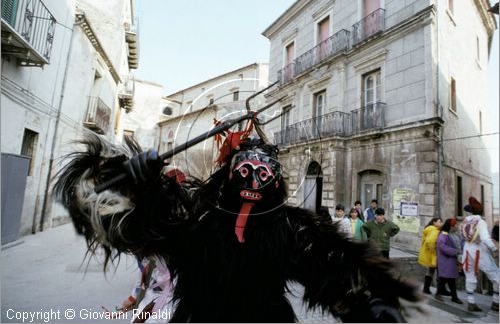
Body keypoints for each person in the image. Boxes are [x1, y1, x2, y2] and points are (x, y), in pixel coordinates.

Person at [54, 131, 420, 322]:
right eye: (246, 171)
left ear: (275, 181)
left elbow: (333, 266)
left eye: (262, 174)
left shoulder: (291, 228)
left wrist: (370, 303)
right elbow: (132, 222)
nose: (253, 180)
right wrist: (135, 183)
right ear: (230, 175)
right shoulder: (197, 215)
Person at [461, 197, 499, 312]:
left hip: (467, 250)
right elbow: (485, 239)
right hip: (479, 251)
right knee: (496, 276)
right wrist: (494, 249)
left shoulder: (465, 221)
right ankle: (496, 302)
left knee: (470, 276)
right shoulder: (480, 222)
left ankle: (471, 303)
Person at [435, 219, 463, 304]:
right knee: (445, 278)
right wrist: (455, 251)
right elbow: (442, 246)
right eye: (455, 225)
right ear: (451, 227)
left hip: (450, 260)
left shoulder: (451, 234)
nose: (456, 227)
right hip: (446, 260)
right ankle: (449, 296)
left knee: (449, 278)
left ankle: (452, 296)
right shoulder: (444, 234)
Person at [418, 217, 443, 295]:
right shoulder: (434, 230)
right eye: (440, 222)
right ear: (434, 222)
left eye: (442, 222)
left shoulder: (428, 229)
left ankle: (426, 288)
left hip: (427, 254)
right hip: (433, 255)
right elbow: (430, 241)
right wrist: (434, 250)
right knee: (438, 272)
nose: (441, 223)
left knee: (430, 271)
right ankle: (440, 290)